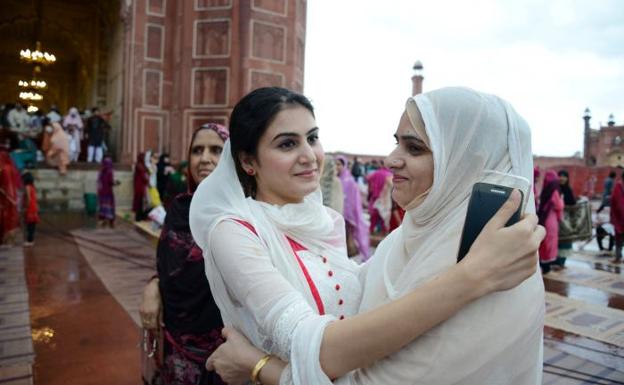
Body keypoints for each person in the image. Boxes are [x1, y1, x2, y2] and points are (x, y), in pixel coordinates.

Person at [189, 87, 544, 385]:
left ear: (463, 161)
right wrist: (470, 276)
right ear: (248, 161)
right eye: (286, 144)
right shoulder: (407, 241)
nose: (309, 155)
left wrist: (258, 366)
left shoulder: (500, 260)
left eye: (312, 138)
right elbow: (318, 334)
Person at [139, 123, 229, 385]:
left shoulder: (245, 213)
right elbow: (166, 268)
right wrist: (153, 285)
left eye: (216, 150)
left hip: (228, 357)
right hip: (176, 347)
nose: (204, 159)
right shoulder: (179, 210)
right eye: (197, 150)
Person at [335, 155, 369, 259]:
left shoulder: (349, 181)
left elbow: (353, 201)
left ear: (344, 165)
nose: (336, 167)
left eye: (339, 164)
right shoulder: (334, 180)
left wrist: (349, 216)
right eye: (335, 164)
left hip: (347, 217)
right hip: (336, 215)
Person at [538, 170, 564, 274]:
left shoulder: (546, 189)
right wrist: (562, 200)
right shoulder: (555, 189)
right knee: (550, 243)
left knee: (544, 243)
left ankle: (543, 264)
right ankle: (547, 266)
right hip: (551, 219)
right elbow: (559, 205)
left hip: (544, 218)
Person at [555, 169, 576, 270]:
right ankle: (554, 261)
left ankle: (562, 262)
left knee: (566, 241)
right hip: (556, 220)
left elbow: (572, 203)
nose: (562, 178)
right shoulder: (555, 189)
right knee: (556, 241)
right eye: (560, 176)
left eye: (564, 176)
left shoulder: (568, 190)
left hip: (566, 220)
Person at [0, 150, 21, 248]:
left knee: (6, 218)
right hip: (13, 198)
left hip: (6, 199)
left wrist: (9, 197)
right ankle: (9, 240)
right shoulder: (12, 168)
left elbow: (5, 186)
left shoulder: (4, 169)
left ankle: (6, 240)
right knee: (12, 218)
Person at [366, 165, 392, 234]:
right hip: (385, 198)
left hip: (375, 196)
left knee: (374, 215)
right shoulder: (389, 174)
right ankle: (383, 232)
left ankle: (371, 230)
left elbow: (368, 178)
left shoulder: (376, 173)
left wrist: (371, 187)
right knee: (384, 215)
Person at [97, 157, 118, 228]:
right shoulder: (110, 171)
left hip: (102, 191)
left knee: (102, 205)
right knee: (110, 205)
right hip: (108, 191)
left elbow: (99, 181)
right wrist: (116, 183)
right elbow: (111, 182)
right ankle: (111, 221)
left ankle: (102, 220)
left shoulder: (101, 171)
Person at [21, 171, 39, 247]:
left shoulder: (27, 187)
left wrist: (25, 208)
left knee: (30, 225)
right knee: (32, 225)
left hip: (30, 207)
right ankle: (31, 240)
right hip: (34, 206)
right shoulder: (32, 186)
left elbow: (28, 198)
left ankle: (30, 241)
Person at [610, 171, 624, 264]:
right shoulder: (618, 187)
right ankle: (618, 257)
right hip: (620, 217)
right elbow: (617, 204)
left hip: (620, 217)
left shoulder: (618, 186)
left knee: (619, 239)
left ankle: (618, 257)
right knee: (619, 239)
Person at [133, 152, 150, 221]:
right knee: (140, 201)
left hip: (141, 186)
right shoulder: (139, 166)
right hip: (140, 186)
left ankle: (142, 216)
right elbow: (144, 176)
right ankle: (139, 217)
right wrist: (147, 179)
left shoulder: (142, 165)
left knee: (142, 202)